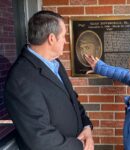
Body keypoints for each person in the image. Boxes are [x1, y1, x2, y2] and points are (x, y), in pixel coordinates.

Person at [4, 10, 94, 150]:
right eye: (63, 36)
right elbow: (40, 139)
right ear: (51, 39)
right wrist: (80, 145)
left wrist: (87, 127)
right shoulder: (20, 79)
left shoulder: (55, 63)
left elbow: (72, 99)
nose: (65, 40)